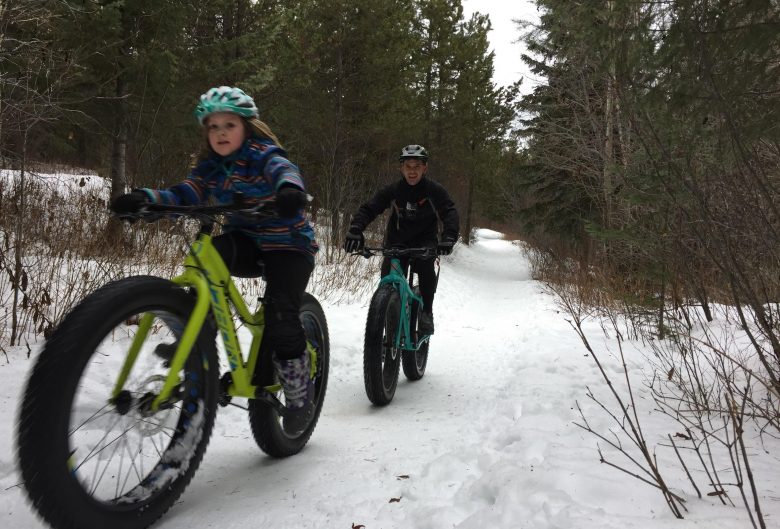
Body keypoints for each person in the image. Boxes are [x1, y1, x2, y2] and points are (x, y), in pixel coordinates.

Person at [110, 86, 317, 434]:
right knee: (209, 260)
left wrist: (289, 193)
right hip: (247, 242)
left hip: (289, 246)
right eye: (213, 126)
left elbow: (285, 171)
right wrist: (147, 199)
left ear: (247, 127)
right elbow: (186, 192)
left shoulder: (264, 155)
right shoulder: (209, 167)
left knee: (282, 315)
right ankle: (195, 336)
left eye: (229, 125)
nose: (220, 133)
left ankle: (299, 393)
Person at [343, 144, 459, 335]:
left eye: (416, 167)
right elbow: (370, 208)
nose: (412, 171)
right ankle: (386, 325)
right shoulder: (394, 190)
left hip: (425, 243)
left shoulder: (433, 190)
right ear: (401, 168)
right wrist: (355, 230)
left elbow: (449, 211)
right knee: (387, 281)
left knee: (426, 269)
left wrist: (448, 238)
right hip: (397, 242)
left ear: (425, 168)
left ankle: (426, 311)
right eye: (408, 166)